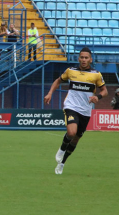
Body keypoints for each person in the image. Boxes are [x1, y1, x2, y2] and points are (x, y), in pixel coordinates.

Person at [44, 47, 108, 175]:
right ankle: (62, 149)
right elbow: (58, 81)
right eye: (82, 57)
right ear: (78, 58)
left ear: (90, 59)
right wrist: (50, 93)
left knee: (76, 139)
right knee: (71, 132)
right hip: (71, 106)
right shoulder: (70, 71)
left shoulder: (96, 74)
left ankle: (62, 163)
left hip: (85, 111)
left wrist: (98, 97)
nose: (84, 60)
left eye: (86, 58)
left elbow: (105, 91)